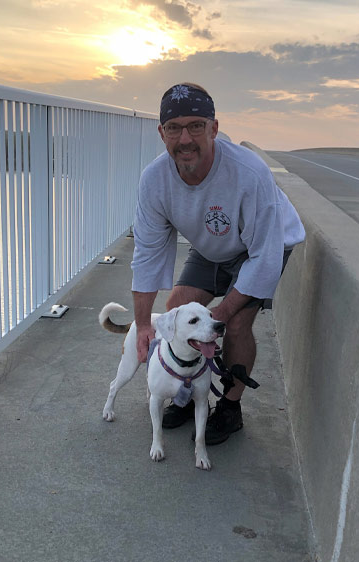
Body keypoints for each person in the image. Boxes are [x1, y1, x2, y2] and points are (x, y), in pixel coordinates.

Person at [131, 82, 305, 445]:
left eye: (196, 126)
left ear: (214, 128)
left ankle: (230, 406)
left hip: (262, 246)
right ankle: (184, 393)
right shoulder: (154, 180)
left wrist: (216, 321)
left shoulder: (248, 173)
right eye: (175, 128)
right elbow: (147, 253)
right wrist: (145, 323)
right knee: (177, 310)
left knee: (237, 323)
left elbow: (265, 256)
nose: (185, 138)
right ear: (161, 132)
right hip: (212, 248)